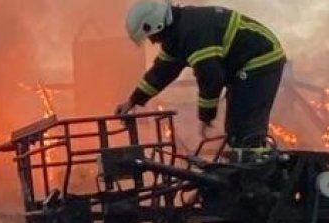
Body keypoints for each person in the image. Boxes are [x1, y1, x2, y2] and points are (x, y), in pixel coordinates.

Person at [115, 0, 287, 148]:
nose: (153, 42)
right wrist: (133, 100)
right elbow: (161, 73)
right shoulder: (178, 35)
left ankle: (257, 177)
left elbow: (211, 78)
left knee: (245, 129)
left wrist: (206, 116)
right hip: (244, 66)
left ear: (156, 25)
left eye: (151, 36)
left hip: (261, 59)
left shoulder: (192, 33)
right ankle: (249, 168)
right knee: (237, 130)